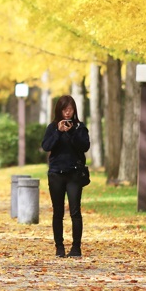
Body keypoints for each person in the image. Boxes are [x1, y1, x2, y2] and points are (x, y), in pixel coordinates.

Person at [40, 95, 90, 258]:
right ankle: (59, 247)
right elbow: (46, 146)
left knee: (75, 211)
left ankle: (76, 247)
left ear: (74, 110)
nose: (68, 113)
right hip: (56, 174)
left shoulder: (79, 127)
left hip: (74, 174)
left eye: (70, 109)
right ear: (59, 110)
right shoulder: (53, 127)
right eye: (64, 109)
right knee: (58, 212)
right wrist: (58, 131)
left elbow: (84, 147)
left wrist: (71, 133)